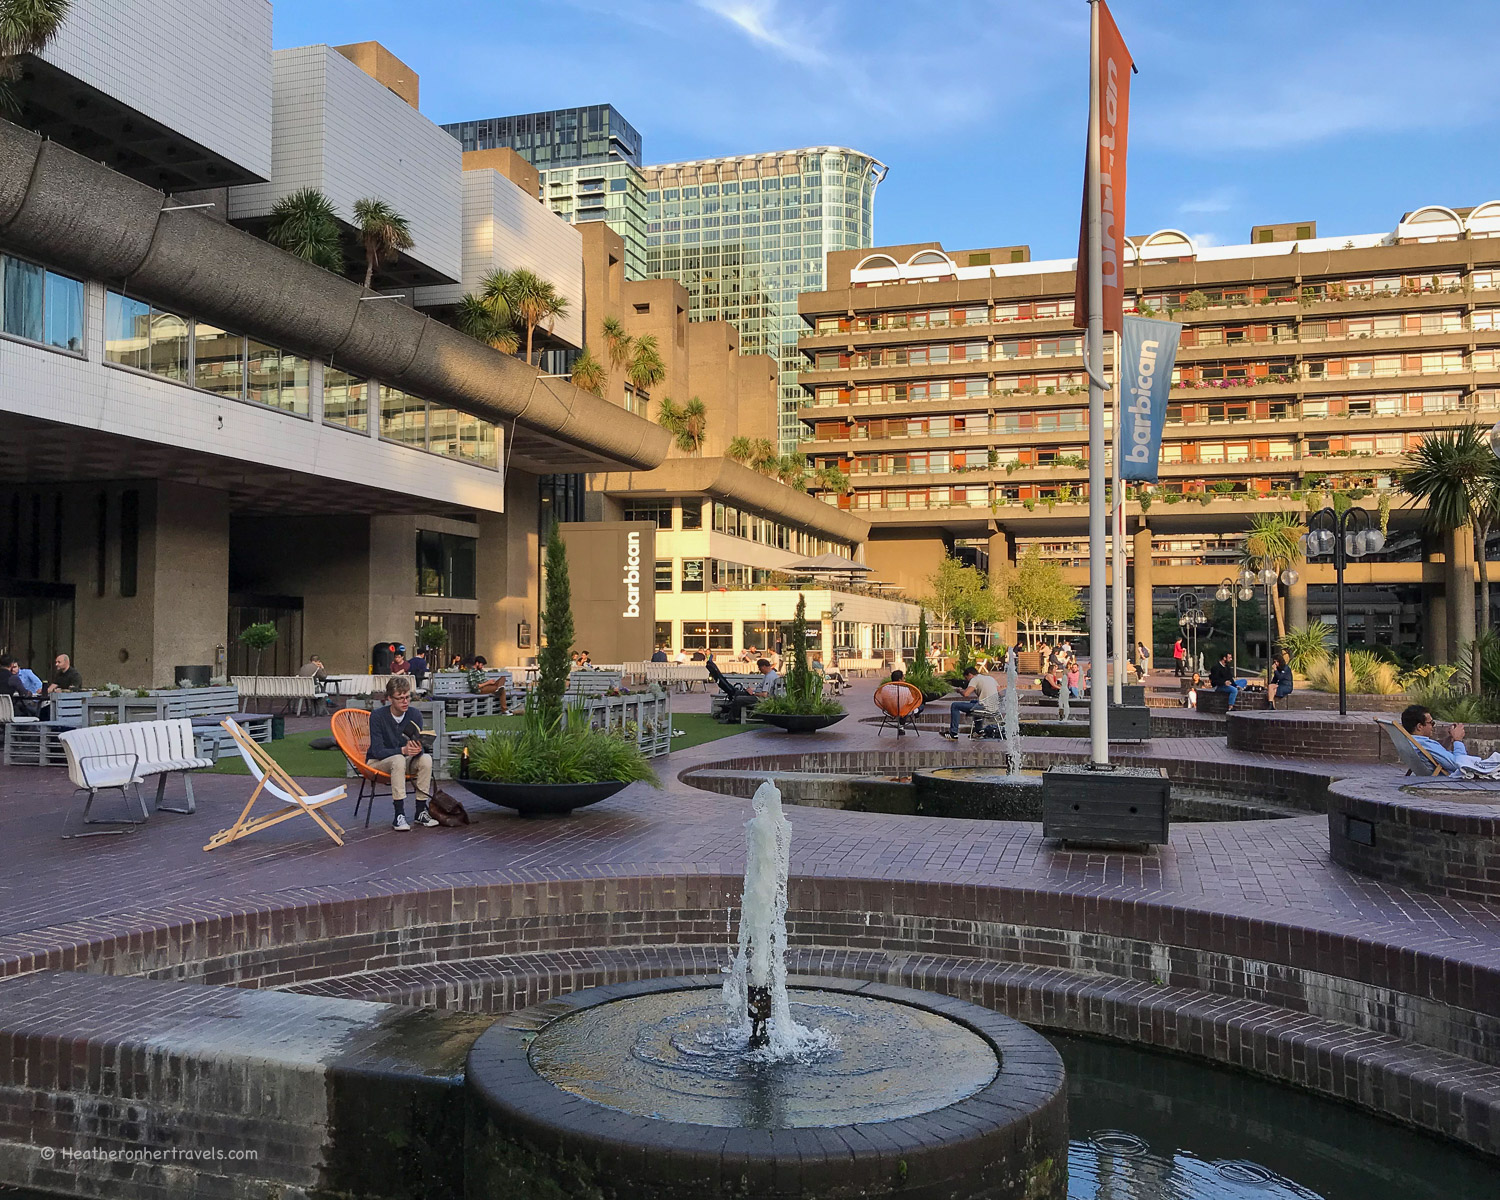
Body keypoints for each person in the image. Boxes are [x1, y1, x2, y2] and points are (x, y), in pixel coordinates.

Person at [367, 676, 435, 831]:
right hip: (378, 762)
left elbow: (416, 747)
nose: (405, 702)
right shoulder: (377, 716)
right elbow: (377, 751)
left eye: (407, 697)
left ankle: (420, 811)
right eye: (400, 698)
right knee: (398, 759)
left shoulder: (414, 714)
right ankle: (399, 814)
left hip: (405, 761)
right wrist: (402, 751)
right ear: (390, 698)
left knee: (426, 759)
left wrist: (418, 749)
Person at [1400, 705, 1500, 776]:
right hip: (1466, 770)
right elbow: (1458, 765)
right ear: (1420, 726)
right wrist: (1458, 740)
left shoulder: (1413, 742)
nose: (1433, 726)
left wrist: (1449, 738)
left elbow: (1437, 754)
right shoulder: (1425, 745)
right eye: (1431, 723)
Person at [942, 666, 1001, 740]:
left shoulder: (974, 679)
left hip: (985, 708)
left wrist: (959, 690)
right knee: (974, 702)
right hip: (994, 708)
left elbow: (966, 694)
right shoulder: (990, 678)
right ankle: (979, 731)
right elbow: (999, 691)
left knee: (955, 705)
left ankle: (953, 733)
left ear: (970, 675)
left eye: (966, 678)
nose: (967, 681)